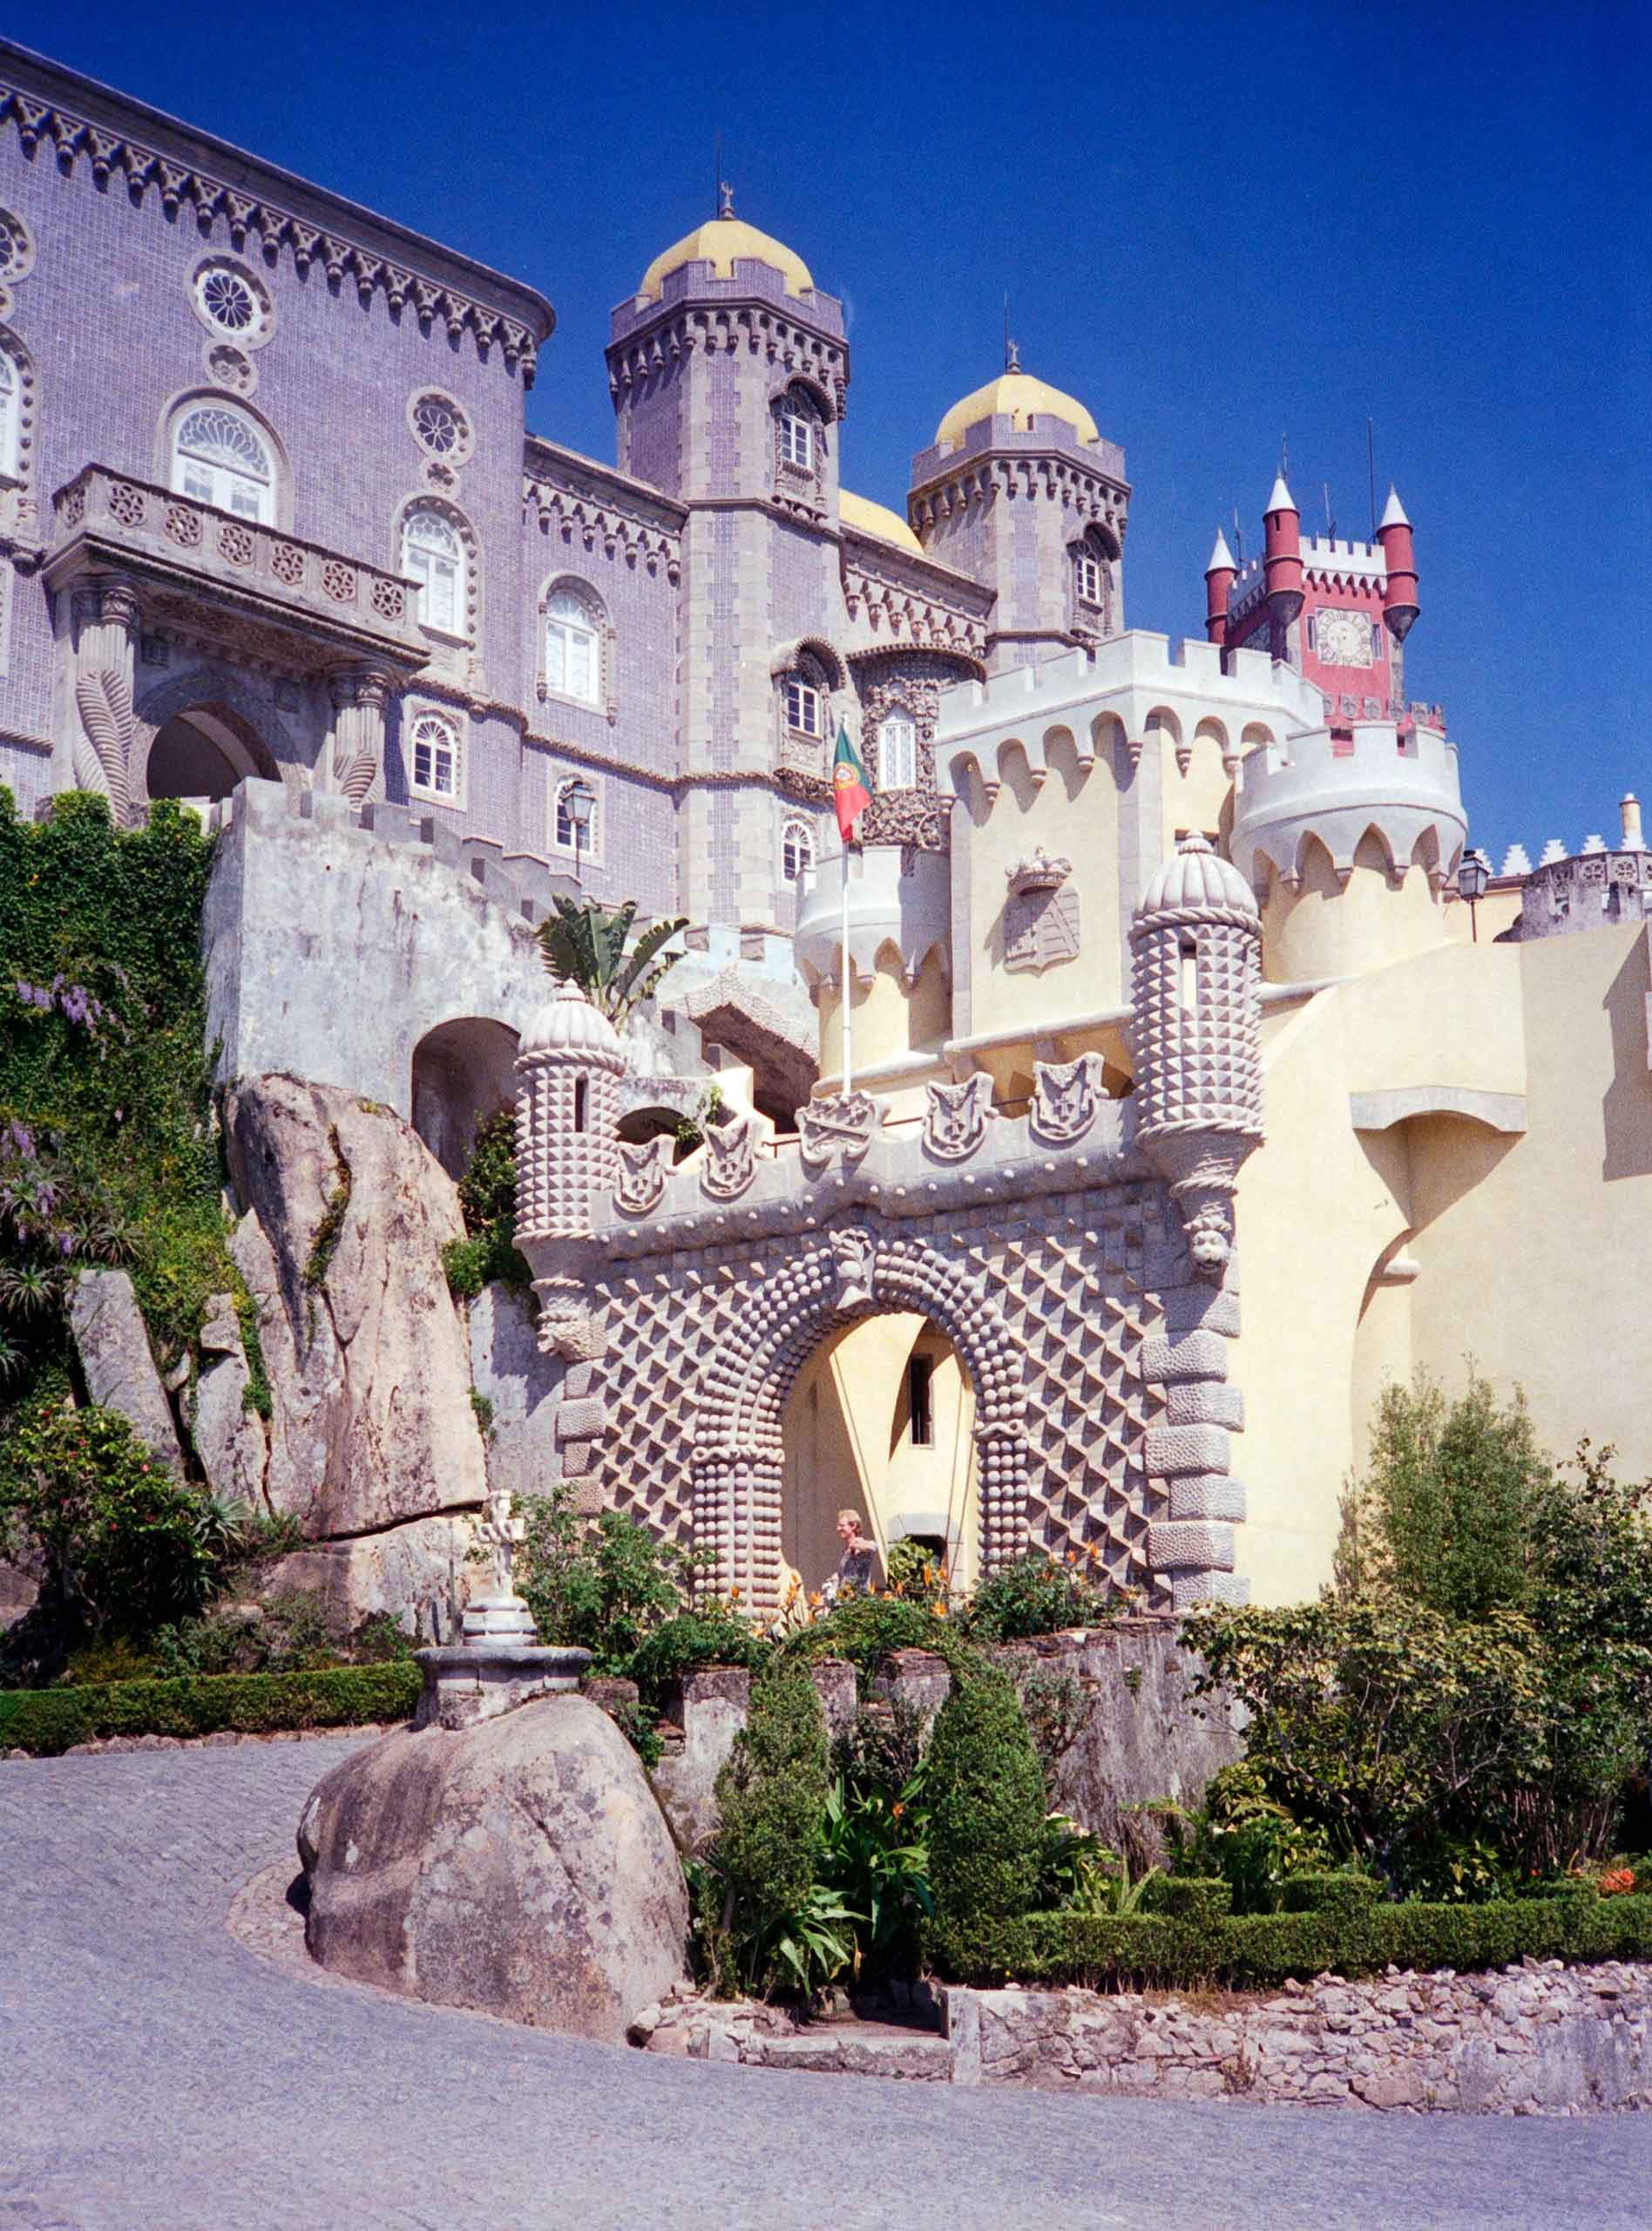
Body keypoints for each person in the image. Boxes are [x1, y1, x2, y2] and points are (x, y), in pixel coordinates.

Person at [823, 1508, 880, 1604]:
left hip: (859, 1605)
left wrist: (856, 1545)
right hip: (844, 1603)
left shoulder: (862, 1545)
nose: (838, 1529)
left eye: (842, 1526)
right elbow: (846, 1576)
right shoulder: (846, 1551)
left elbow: (874, 1547)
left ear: (853, 1526)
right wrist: (834, 1579)